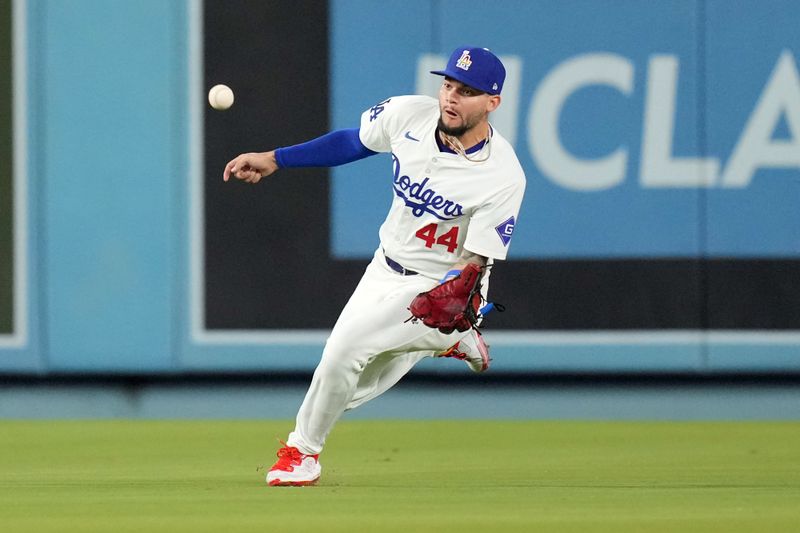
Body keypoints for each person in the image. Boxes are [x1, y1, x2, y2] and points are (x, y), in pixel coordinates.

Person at [223, 46, 526, 486]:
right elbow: (351, 141)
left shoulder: (503, 175)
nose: (451, 98)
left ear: (492, 103)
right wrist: (275, 158)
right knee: (347, 375)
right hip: (384, 266)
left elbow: (478, 260)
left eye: (468, 91)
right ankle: (449, 337)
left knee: (342, 357)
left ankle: (302, 453)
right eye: (448, 85)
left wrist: (459, 298)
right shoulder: (409, 115)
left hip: (443, 281)